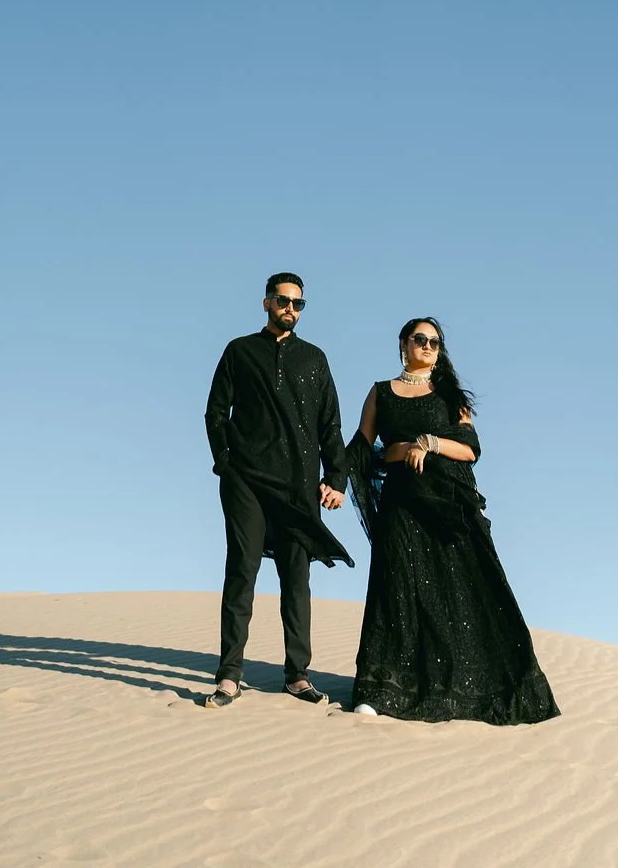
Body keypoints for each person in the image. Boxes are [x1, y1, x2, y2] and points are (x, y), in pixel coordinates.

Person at [345, 317, 560, 724]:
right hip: (401, 505)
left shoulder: (450, 395)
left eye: (434, 342)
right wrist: (334, 479)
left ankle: (462, 690)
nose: (427, 347)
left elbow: (471, 448)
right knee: (395, 592)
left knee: (459, 595)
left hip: (450, 506)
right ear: (403, 344)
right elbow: (362, 446)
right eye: (419, 339)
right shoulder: (380, 394)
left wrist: (431, 443)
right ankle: (378, 690)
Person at [203, 272, 353, 709]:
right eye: (283, 301)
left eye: (298, 303)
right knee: (241, 573)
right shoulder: (240, 351)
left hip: (299, 487)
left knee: (297, 580)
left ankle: (297, 675)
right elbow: (215, 411)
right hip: (246, 481)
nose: (291, 308)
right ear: (266, 302)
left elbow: (331, 425)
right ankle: (229, 675)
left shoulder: (314, 359)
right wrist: (225, 464)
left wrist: (336, 479)